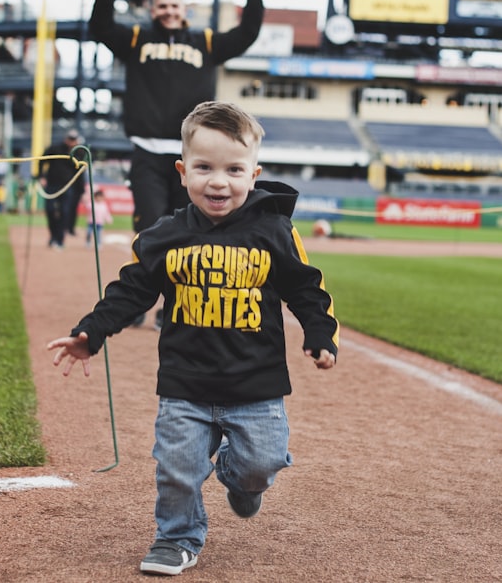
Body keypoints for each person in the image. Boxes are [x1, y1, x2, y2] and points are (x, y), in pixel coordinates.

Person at [47, 101, 339, 575]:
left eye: (233, 169)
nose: (218, 181)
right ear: (182, 172)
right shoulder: (166, 236)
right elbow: (130, 292)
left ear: (254, 173)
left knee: (259, 466)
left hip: (257, 387)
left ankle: (238, 481)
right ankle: (176, 537)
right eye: (204, 167)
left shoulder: (274, 230)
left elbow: (306, 288)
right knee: (177, 468)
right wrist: (90, 331)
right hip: (185, 385)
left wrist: (319, 334)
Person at [89, 0, 264, 327]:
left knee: (190, 232)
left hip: (194, 157)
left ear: (185, 9)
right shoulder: (137, 39)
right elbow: (101, 28)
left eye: (175, 5)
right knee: (151, 228)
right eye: (162, 6)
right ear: (153, 10)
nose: (169, 11)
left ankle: (174, 308)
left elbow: (245, 35)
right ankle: (135, 304)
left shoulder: (206, 42)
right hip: (148, 152)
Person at [39, 130, 83, 250]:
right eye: (70, 139)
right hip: (52, 185)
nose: (71, 142)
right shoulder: (55, 149)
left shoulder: (79, 152)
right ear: (66, 138)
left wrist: (82, 190)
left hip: (69, 187)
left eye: (74, 139)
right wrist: (41, 176)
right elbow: (42, 159)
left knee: (65, 212)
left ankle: (60, 239)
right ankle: (53, 236)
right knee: (50, 210)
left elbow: (81, 172)